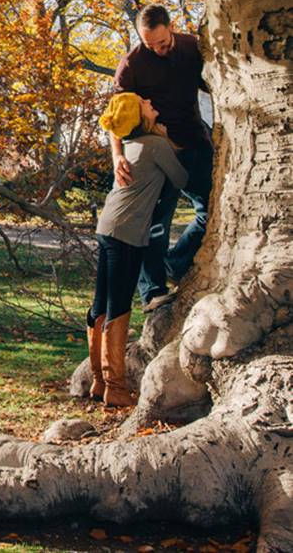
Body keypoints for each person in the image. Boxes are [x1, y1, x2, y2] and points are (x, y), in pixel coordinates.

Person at [111, 4, 212, 311]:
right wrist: (117, 157)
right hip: (155, 150)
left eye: (162, 43)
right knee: (153, 224)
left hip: (194, 142)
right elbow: (115, 117)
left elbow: (216, 86)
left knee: (210, 213)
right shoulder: (132, 64)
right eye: (149, 44)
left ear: (171, 28)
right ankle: (153, 290)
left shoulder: (192, 48)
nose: (157, 49)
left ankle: (174, 263)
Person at [90, 92, 188, 407]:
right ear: (140, 115)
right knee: (118, 305)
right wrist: (167, 139)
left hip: (107, 225)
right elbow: (181, 178)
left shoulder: (131, 146)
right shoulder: (155, 146)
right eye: (143, 103)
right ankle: (116, 389)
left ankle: (98, 381)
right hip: (127, 232)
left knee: (100, 304)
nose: (149, 101)